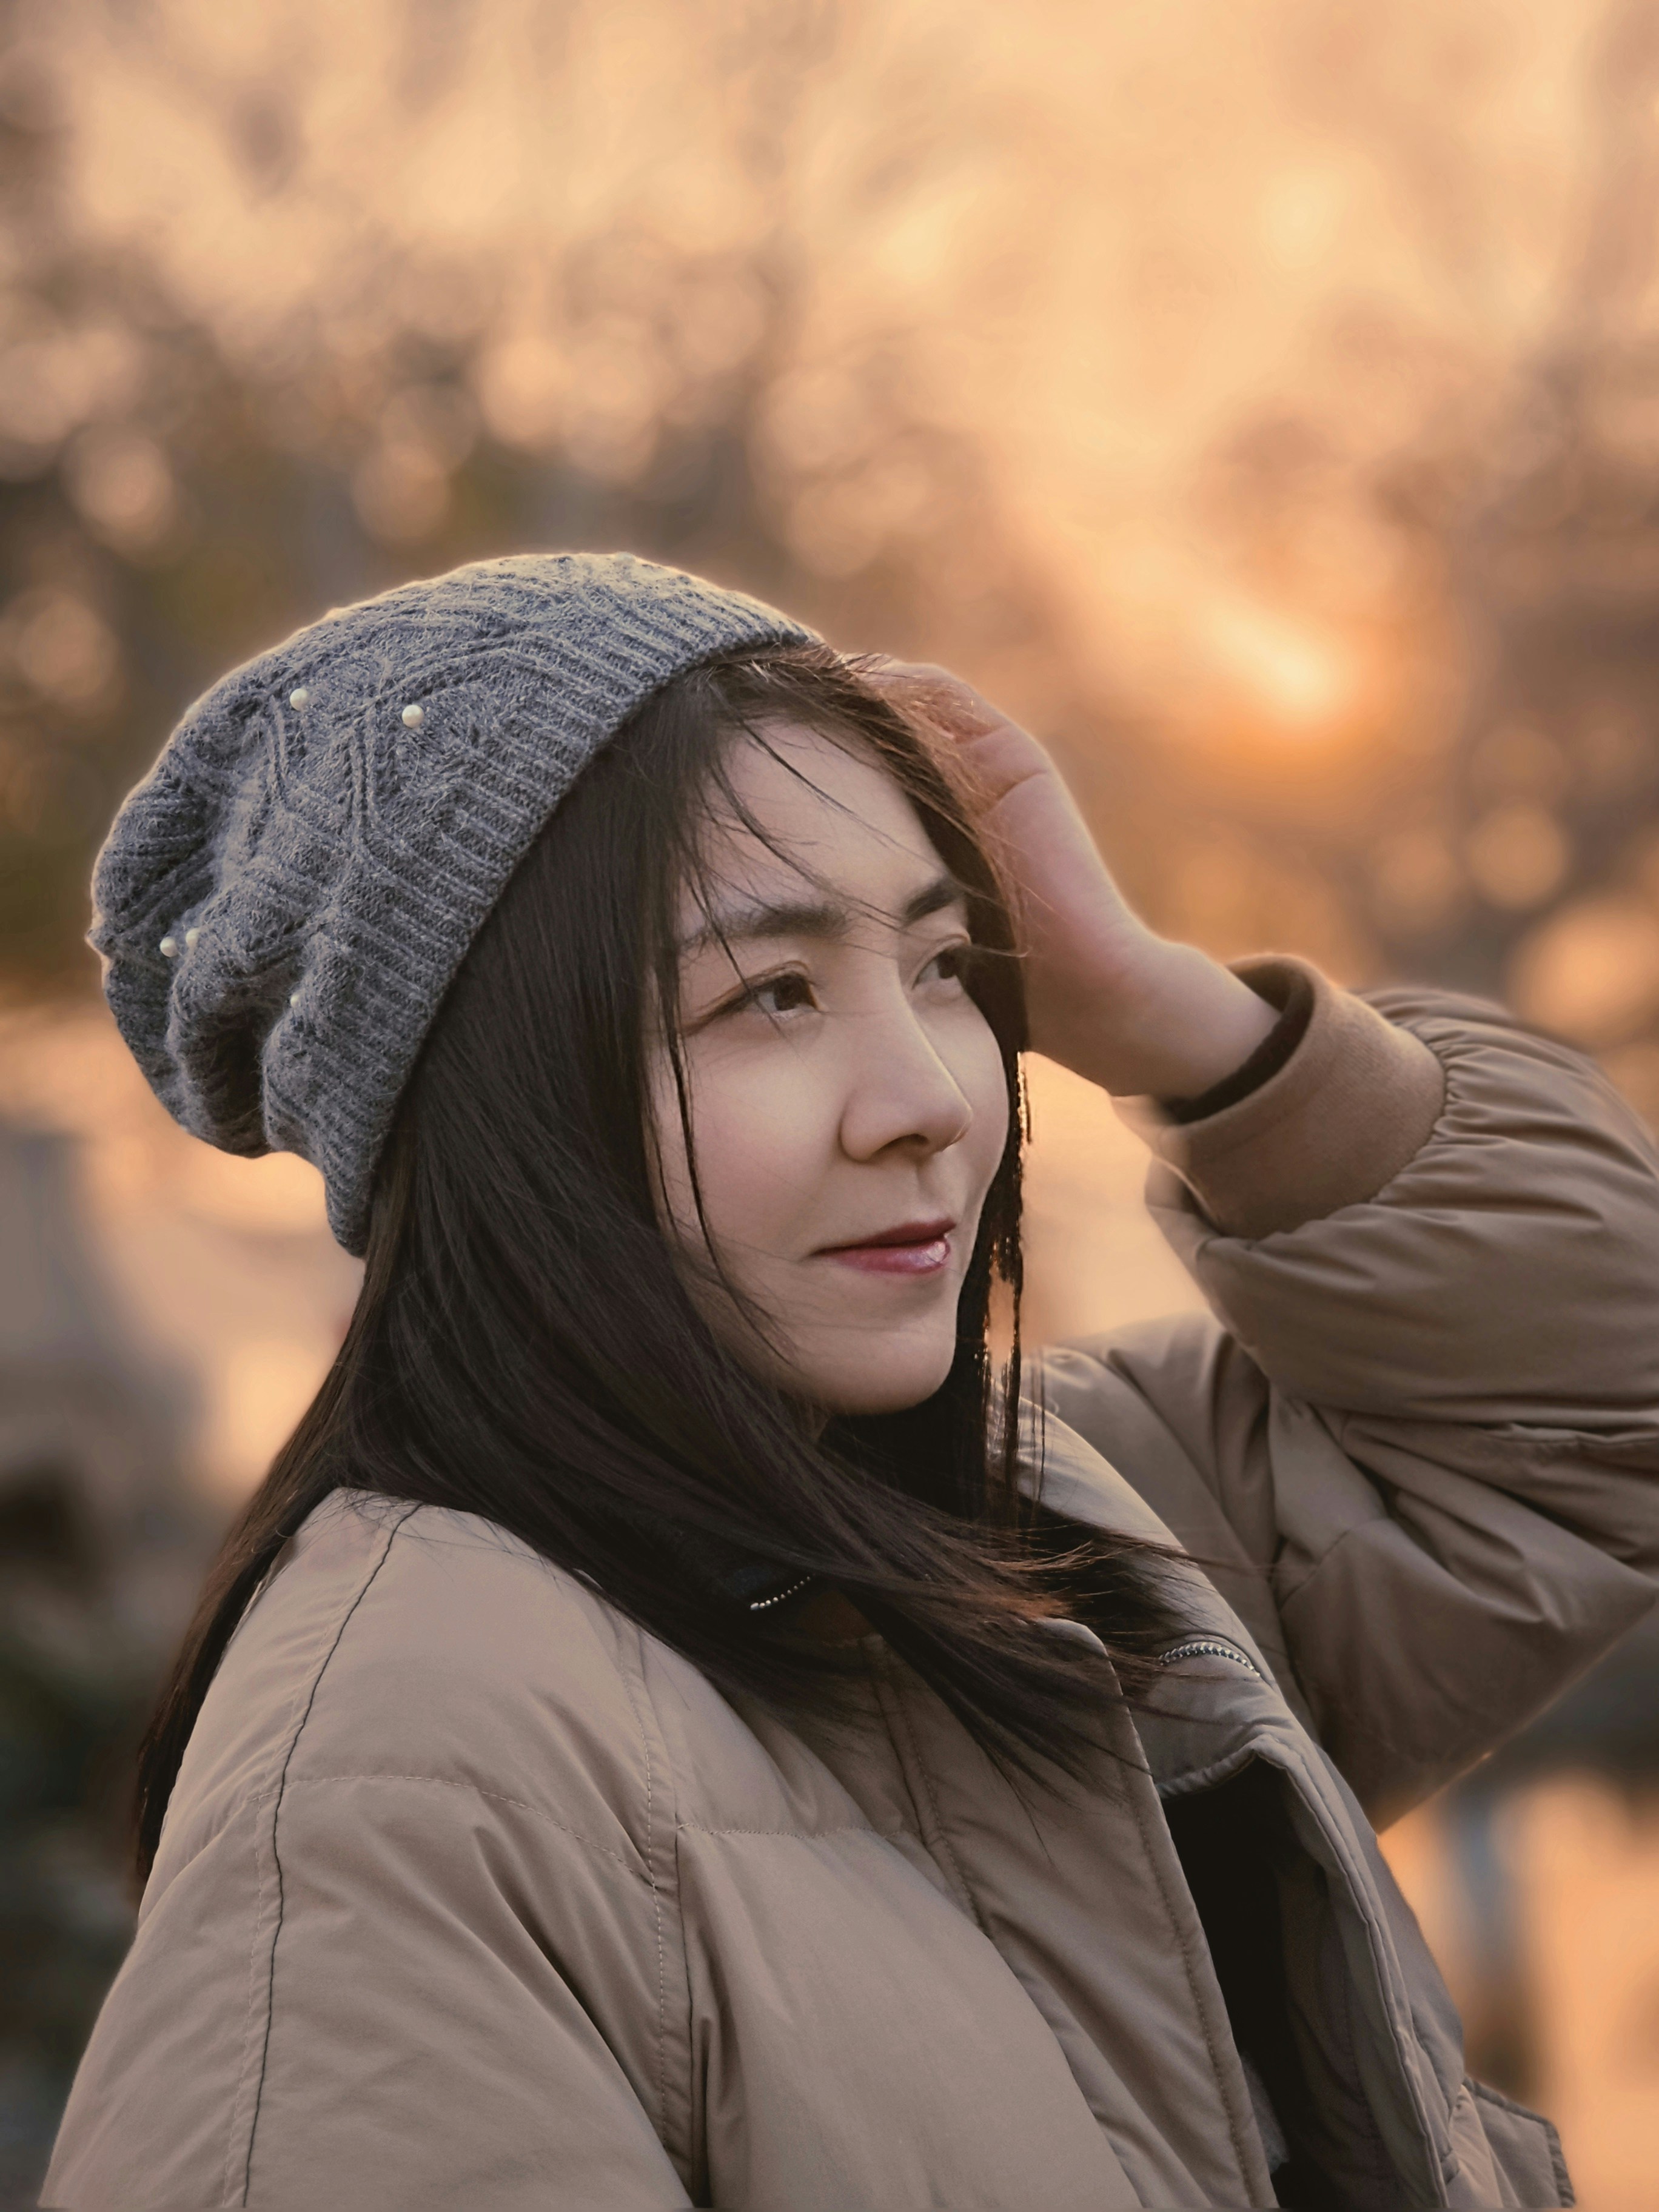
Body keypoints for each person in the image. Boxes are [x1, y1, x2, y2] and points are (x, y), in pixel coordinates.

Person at [43, 552, 1658, 2211]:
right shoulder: (404, 1787)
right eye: (773, 994)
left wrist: (1157, 1005)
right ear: (499, 1106)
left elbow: (1599, 1396)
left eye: (946, 967)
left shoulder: (1053, 1528)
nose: (933, 1100)